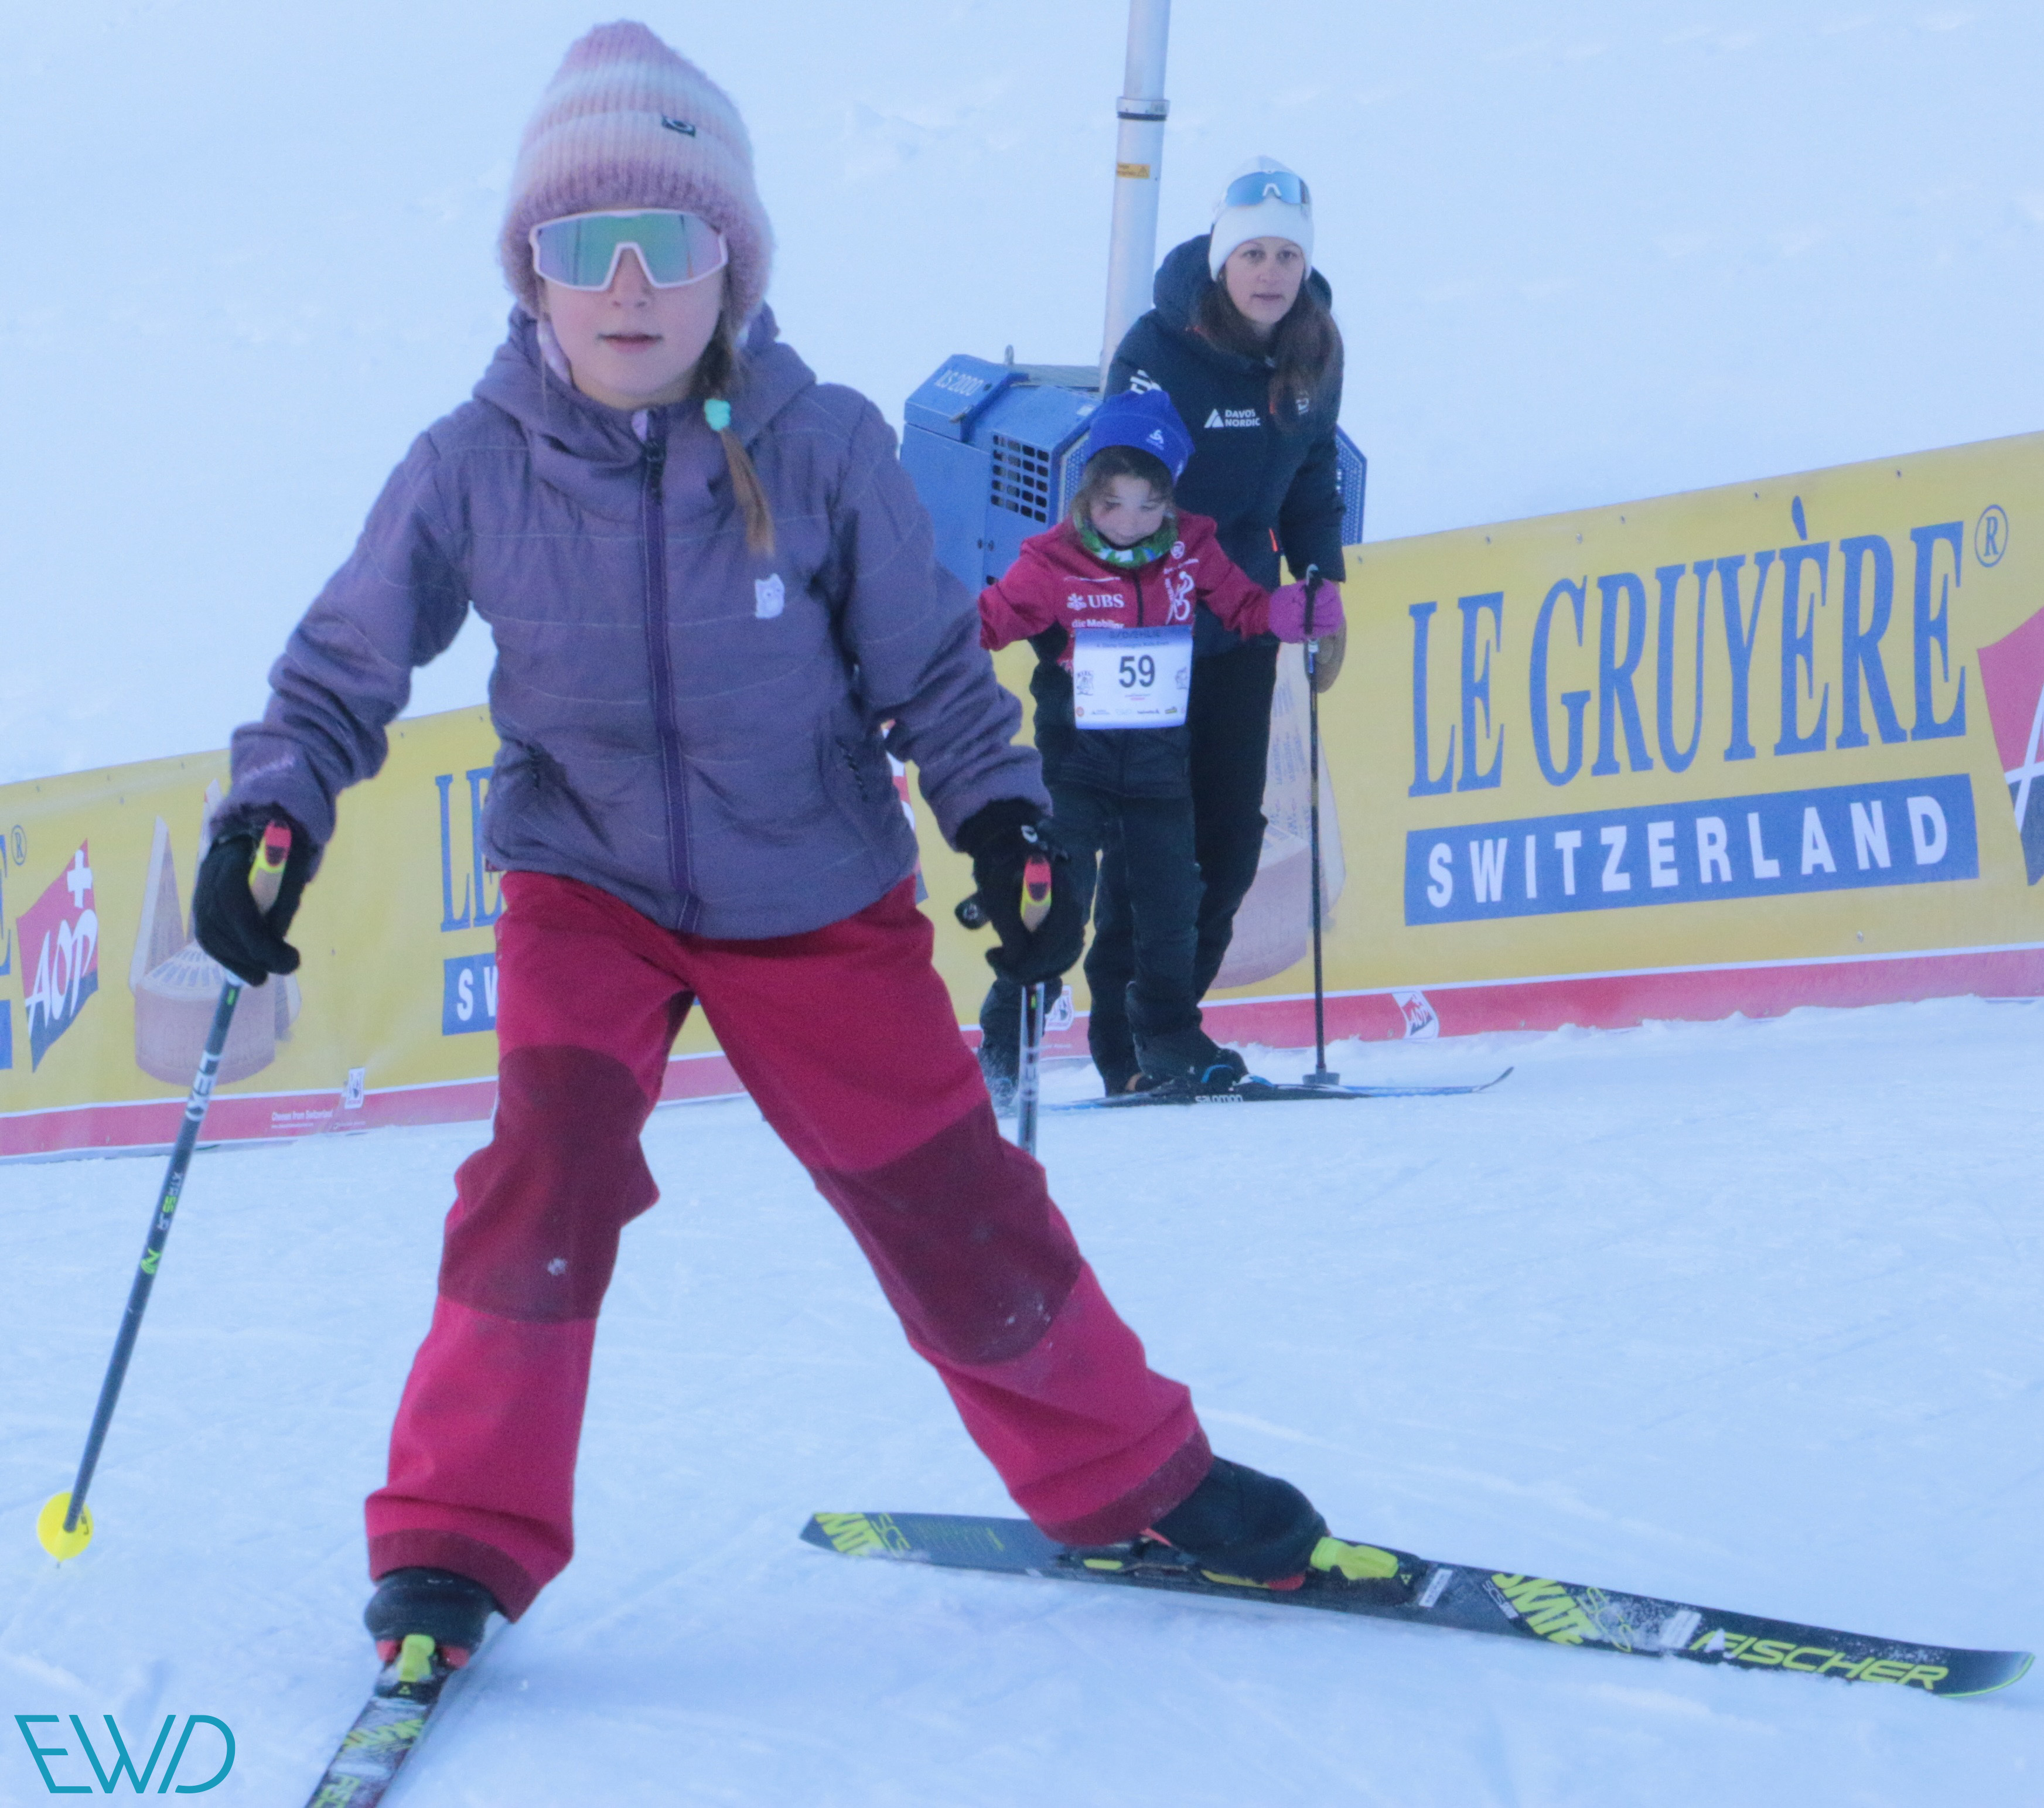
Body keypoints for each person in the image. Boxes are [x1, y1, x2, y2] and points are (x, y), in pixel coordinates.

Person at [189, 24, 1357, 1669]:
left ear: (729, 259)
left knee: (951, 1191)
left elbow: (929, 668)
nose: (627, 285)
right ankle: (457, 1535)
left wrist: (1004, 814)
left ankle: (1129, 1477)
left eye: (668, 240)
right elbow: (342, 664)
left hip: (812, 889)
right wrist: (274, 806)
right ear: (528, 272)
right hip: (586, 883)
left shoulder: (821, 443)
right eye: (581, 244)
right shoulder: (470, 467)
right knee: (543, 1171)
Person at [974, 389, 1341, 1099]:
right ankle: (1006, 1035)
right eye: (1113, 503)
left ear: (1170, 500)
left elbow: (1243, 607)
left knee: (1173, 907)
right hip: (1076, 765)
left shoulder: (1191, 547)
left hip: (1158, 766)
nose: (1130, 521)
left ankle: (1168, 1034)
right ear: (1088, 496)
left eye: (1149, 505)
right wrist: (919, 647)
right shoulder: (1051, 561)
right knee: (1059, 903)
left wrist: (1294, 611)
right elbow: (989, 621)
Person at [1087, 156, 1349, 1082]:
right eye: (1252, 255)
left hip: (1240, 624)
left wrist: (1322, 590)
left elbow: (1312, 476)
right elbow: (1118, 494)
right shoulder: (1159, 351)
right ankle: (1137, 1041)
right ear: (1220, 260)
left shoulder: (1312, 349)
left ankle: (1165, 1025)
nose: (1270, 273)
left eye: (1287, 255)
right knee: (1153, 843)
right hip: (1148, 619)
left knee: (1231, 842)